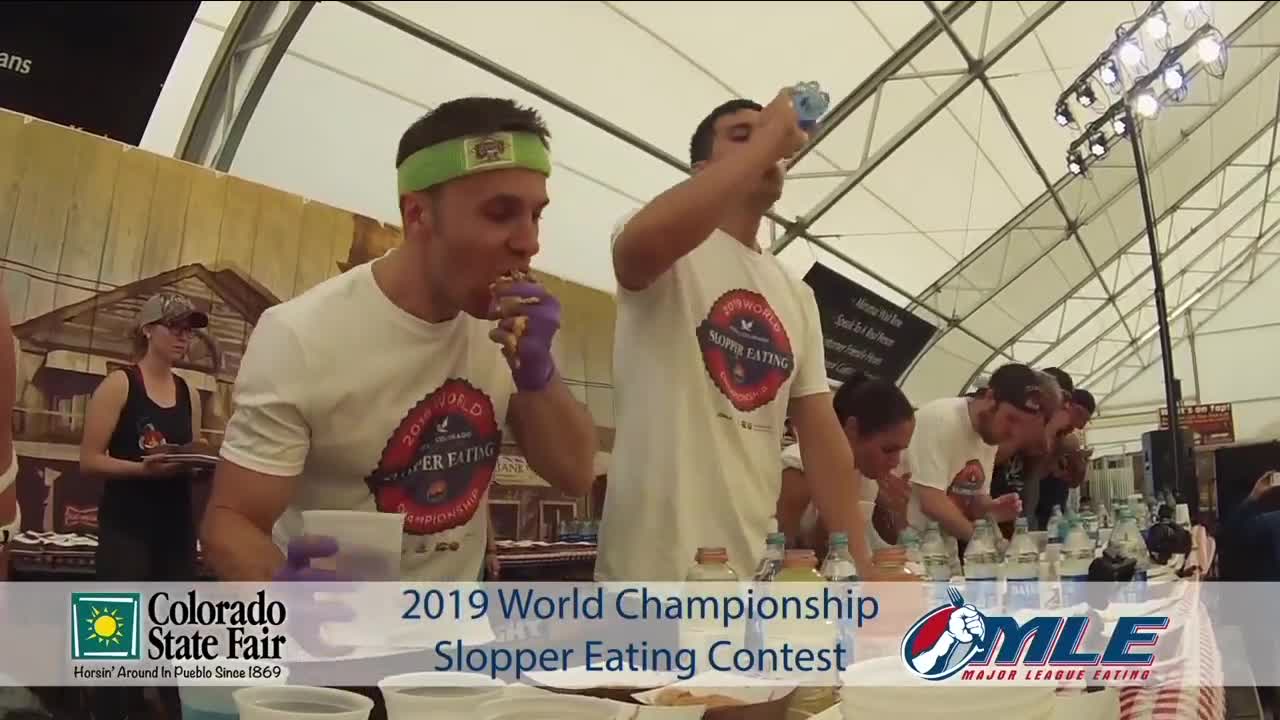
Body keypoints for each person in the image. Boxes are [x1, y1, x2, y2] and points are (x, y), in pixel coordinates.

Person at [201, 98, 597, 583]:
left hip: (457, 636)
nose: (529, 242)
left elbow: (575, 474)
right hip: (334, 638)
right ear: (417, 216)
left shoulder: (504, 326)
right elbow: (231, 523)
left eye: (536, 215)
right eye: (500, 214)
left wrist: (539, 374)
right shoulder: (302, 335)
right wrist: (293, 603)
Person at [598, 89, 876, 582]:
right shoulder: (666, 245)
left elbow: (820, 434)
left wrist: (863, 563)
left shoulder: (794, 292)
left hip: (753, 573)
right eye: (741, 137)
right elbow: (636, 252)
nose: (768, 146)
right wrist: (767, 142)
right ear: (703, 170)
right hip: (652, 577)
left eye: (770, 136)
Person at [79, 291, 207, 720]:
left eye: (188, 330)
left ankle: (174, 710)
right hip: (126, 528)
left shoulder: (188, 392)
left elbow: (189, 450)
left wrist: (197, 464)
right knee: (113, 637)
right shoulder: (120, 384)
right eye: (175, 327)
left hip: (175, 530)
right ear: (148, 329)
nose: (183, 337)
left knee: (175, 638)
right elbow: (89, 460)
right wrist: (142, 470)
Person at [903, 363, 1060, 542]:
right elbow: (932, 502)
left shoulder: (990, 435)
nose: (1013, 432)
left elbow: (975, 500)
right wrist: (985, 544)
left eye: (1021, 424)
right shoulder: (941, 419)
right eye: (1011, 418)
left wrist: (992, 509)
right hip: (906, 550)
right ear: (990, 397)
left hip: (941, 550)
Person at [776, 373, 915, 555]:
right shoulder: (800, 469)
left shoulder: (865, 475)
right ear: (852, 429)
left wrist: (895, 513)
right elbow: (777, 555)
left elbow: (876, 544)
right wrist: (830, 522)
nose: (895, 462)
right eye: (888, 450)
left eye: (901, 451)